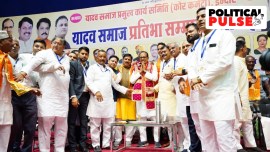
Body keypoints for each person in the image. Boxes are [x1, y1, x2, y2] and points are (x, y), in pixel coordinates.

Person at [189, 7, 237, 151]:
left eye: (204, 16)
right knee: (207, 140)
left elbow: (225, 62)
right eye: (198, 17)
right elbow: (192, 65)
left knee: (225, 140)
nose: (200, 19)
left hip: (221, 96)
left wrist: (201, 78)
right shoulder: (198, 42)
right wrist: (193, 78)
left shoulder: (225, 35)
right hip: (203, 98)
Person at [17, 37, 70, 151]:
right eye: (54, 42)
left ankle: (59, 149)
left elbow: (41, 68)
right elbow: (33, 65)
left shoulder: (67, 58)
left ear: (63, 47)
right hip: (47, 96)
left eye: (59, 44)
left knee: (62, 127)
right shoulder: (45, 53)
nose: (55, 45)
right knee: (45, 127)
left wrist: (50, 68)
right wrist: (24, 72)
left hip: (62, 96)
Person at [0, 30, 40, 152]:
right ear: (1, 42)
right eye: (9, 40)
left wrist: (29, 89)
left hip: (6, 104)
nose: (12, 44)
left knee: (5, 137)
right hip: (6, 101)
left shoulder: (6, 60)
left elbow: (12, 81)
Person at [85, 50, 132, 152]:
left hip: (108, 102)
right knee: (95, 125)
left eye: (104, 57)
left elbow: (115, 85)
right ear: (96, 57)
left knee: (108, 125)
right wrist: (96, 91)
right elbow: (88, 82)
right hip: (96, 100)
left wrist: (125, 90)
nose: (102, 58)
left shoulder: (109, 70)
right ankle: (96, 144)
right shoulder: (92, 68)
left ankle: (106, 143)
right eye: (100, 56)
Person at [7, 38, 46, 152]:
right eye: (12, 44)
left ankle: (26, 149)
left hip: (30, 94)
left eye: (16, 44)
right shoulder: (7, 59)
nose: (14, 46)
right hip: (13, 95)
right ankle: (14, 148)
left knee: (30, 126)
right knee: (16, 125)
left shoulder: (31, 58)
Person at [233, 41, 264, 152]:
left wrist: (250, 82)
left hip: (244, 97)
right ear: (242, 48)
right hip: (238, 97)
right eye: (246, 47)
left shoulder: (242, 61)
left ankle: (251, 145)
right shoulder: (235, 62)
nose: (247, 49)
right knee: (237, 123)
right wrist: (237, 99)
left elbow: (242, 80)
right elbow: (234, 82)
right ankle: (237, 146)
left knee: (247, 121)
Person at [130, 51, 161, 148]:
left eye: (144, 57)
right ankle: (143, 140)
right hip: (139, 98)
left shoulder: (153, 65)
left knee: (155, 119)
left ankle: (157, 140)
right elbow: (131, 80)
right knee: (141, 119)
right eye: (141, 57)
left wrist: (145, 72)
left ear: (148, 57)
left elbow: (155, 78)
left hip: (150, 96)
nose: (143, 59)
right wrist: (139, 72)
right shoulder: (135, 66)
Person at [182, 23, 203, 152]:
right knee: (198, 128)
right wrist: (181, 79)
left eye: (191, 31)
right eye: (187, 33)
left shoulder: (203, 45)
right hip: (193, 94)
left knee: (206, 129)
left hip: (203, 92)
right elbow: (189, 70)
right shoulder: (191, 50)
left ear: (199, 31)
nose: (188, 34)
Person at [169, 42, 190, 151]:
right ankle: (188, 144)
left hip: (186, 92)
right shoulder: (173, 60)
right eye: (170, 48)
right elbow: (174, 76)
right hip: (178, 94)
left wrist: (179, 78)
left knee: (188, 120)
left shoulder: (183, 58)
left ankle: (191, 144)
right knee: (183, 120)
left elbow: (186, 74)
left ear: (179, 49)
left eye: (173, 48)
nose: (172, 50)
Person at [68, 46, 90, 152]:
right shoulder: (73, 64)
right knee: (71, 122)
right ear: (78, 54)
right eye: (82, 53)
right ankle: (72, 146)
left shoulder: (89, 66)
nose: (84, 55)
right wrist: (73, 96)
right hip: (76, 96)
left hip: (86, 96)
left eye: (86, 54)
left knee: (84, 122)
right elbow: (70, 81)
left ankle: (82, 144)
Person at [115, 53, 136, 148]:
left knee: (131, 120)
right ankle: (118, 139)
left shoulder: (134, 69)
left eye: (129, 59)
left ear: (131, 61)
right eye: (125, 59)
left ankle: (128, 140)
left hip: (132, 98)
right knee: (119, 120)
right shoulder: (117, 69)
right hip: (120, 98)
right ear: (122, 60)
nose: (127, 61)